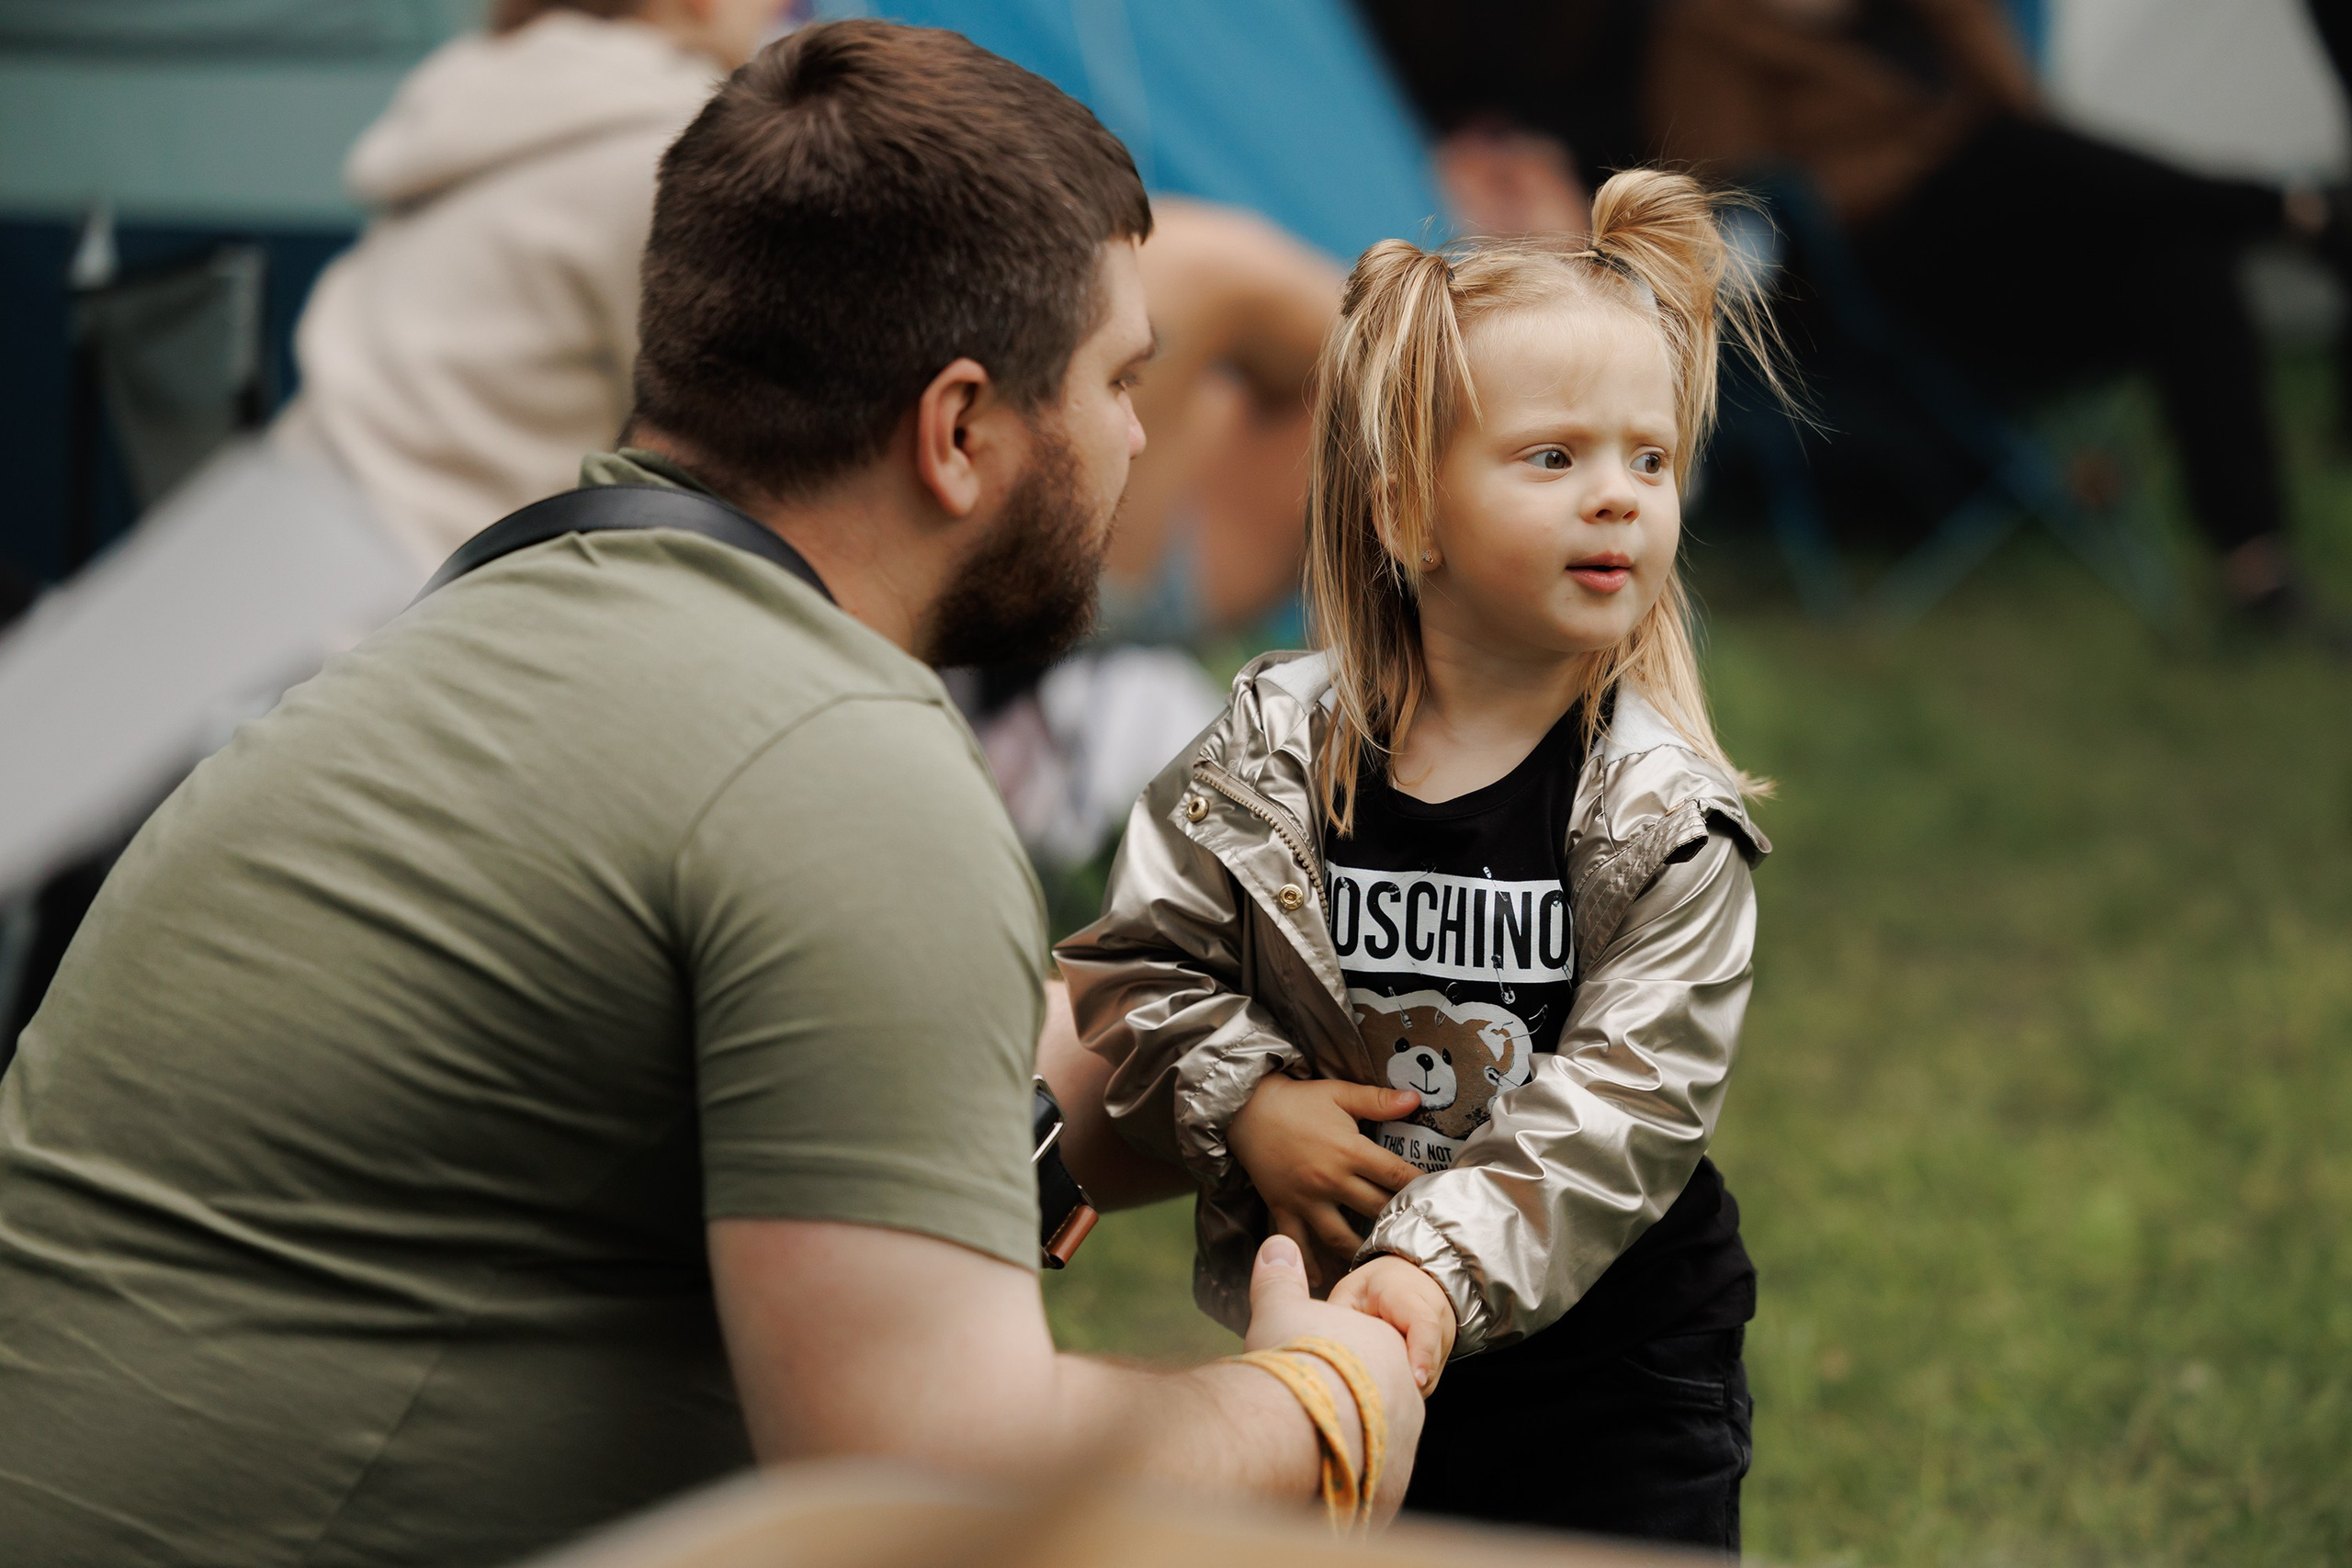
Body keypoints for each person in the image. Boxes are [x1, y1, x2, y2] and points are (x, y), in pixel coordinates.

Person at [0, 22, 1423, 1566]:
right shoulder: (839, 758)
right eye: (1119, 382)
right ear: (957, 431)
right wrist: (1314, 1414)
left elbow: (851, 1074)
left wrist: (1209, 1053)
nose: (1138, 436)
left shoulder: (474, 649)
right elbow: (928, 1484)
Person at [1057, 170, 1780, 1549]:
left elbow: (1630, 1102)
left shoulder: (1660, 812)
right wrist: (1250, 1104)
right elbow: (1143, 958)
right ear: (1407, 511)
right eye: (1555, 458)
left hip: (1610, 1361)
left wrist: (1439, 1272)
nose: (1618, 498)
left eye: (1650, 458)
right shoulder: (1274, 748)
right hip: (1342, 1320)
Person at [1645, 0, 2339, 629]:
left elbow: (2023, 112)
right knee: (1993, 157)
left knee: (2182, 264)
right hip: (1866, 286)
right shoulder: (1711, 27)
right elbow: (1727, 198)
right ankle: (2291, 213)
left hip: (2002, 259)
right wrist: (1914, 160)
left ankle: (2257, 568)